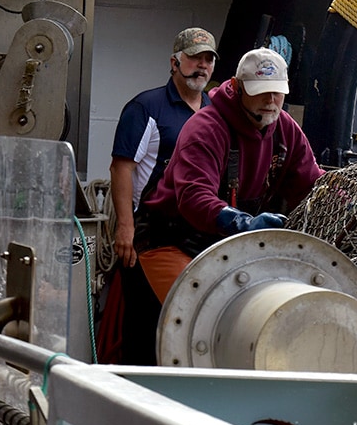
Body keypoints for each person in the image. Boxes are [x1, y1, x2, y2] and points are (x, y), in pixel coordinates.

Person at [134, 47, 324, 304]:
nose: (270, 100)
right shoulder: (205, 128)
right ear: (237, 86)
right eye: (260, 91)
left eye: (277, 91)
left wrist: (356, 206)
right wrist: (243, 223)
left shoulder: (286, 128)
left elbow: (313, 184)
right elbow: (194, 197)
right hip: (170, 237)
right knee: (200, 313)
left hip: (227, 242)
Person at [106, 27, 217, 364]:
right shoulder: (146, 107)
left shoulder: (215, 112)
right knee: (145, 322)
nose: (201, 66)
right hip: (149, 232)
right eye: (194, 58)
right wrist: (125, 227)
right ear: (174, 62)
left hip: (199, 232)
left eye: (208, 59)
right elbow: (121, 167)